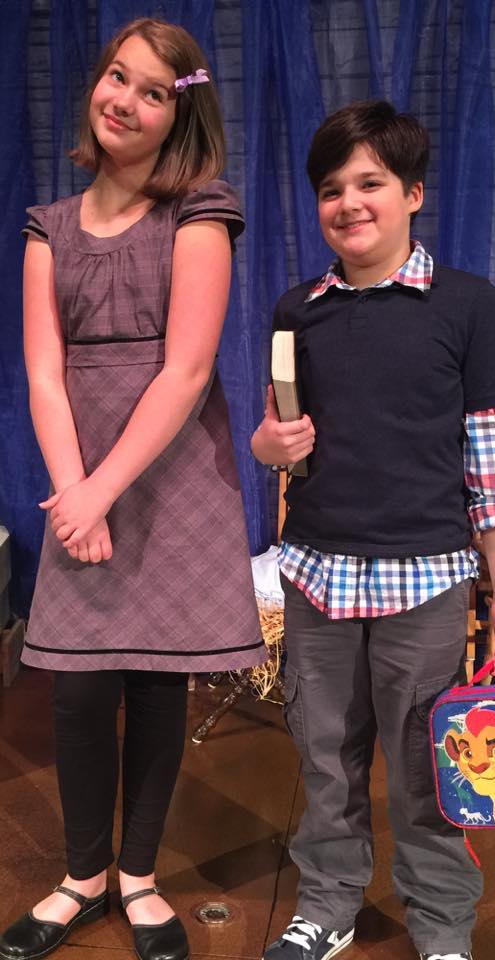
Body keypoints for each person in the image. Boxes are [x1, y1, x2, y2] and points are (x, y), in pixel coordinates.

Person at [0, 17, 265, 960]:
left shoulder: (200, 212)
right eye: (119, 77)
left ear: (178, 115)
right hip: (82, 472)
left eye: (153, 91)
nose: (126, 100)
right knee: (76, 687)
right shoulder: (48, 227)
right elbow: (43, 375)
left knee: (157, 678)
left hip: (170, 470)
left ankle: (139, 877)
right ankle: (82, 877)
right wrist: (74, 492)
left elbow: (187, 371)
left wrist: (101, 491)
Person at [251, 100, 495, 960]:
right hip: (318, 575)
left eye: (369, 182)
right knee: (324, 757)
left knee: (425, 764)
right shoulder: (297, 310)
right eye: (331, 189)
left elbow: (493, 471)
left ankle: (441, 924)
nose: (349, 203)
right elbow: (280, 438)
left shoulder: (467, 305)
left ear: (411, 192)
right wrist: (267, 447)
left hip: (427, 580)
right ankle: (327, 905)